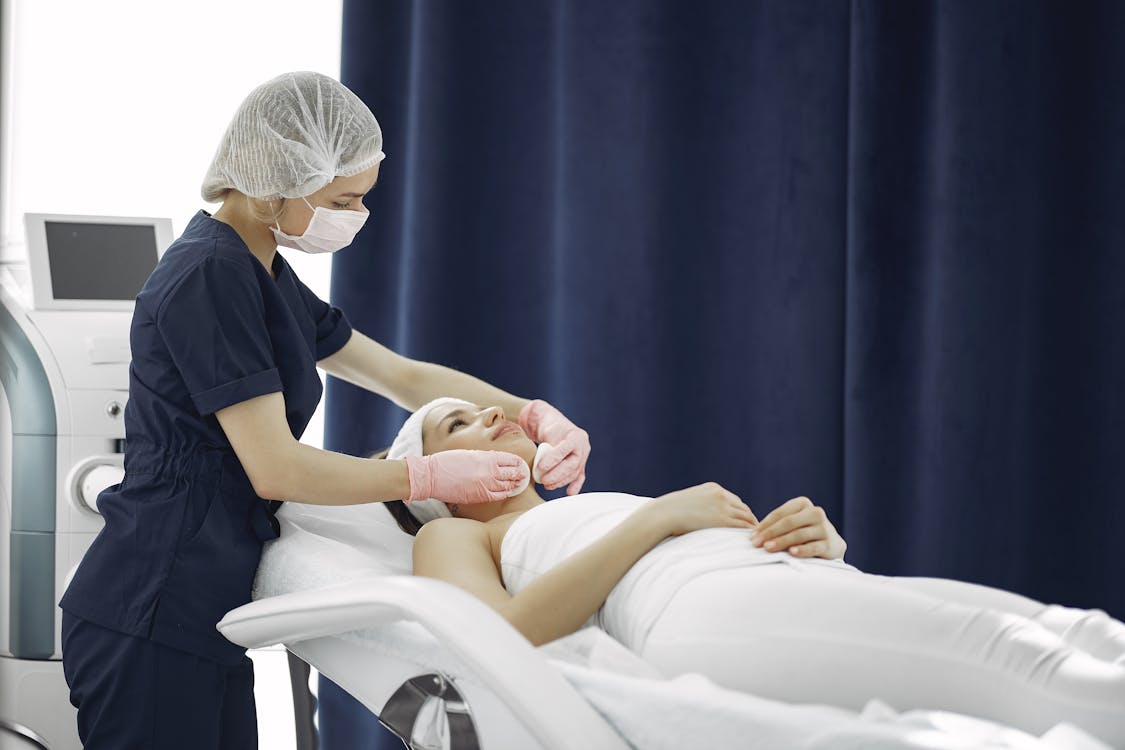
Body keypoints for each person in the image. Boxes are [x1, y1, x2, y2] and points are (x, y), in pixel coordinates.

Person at [56, 71, 592, 750]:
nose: (357, 217)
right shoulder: (209, 275)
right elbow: (275, 469)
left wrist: (536, 412)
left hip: (203, 611)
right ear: (276, 179)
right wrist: (427, 479)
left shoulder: (265, 273)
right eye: (343, 199)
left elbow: (402, 375)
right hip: (151, 606)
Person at [379, 397, 1125, 746]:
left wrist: (819, 544)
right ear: (429, 487)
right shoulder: (449, 541)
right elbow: (496, 636)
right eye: (457, 425)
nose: (490, 418)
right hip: (697, 614)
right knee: (1024, 667)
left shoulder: (573, 508)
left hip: (788, 585)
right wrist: (658, 517)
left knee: (1074, 633)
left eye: (483, 409)